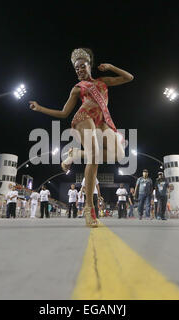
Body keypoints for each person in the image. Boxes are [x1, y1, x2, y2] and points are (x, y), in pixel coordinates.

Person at [29, 48, 133, 227]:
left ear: (89, 65)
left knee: (119, 154)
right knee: (94, 157)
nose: (79, 70)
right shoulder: (78, 89)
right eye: (76, 68)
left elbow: (129, 78)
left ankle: (76, 154)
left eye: (82, 66)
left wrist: (111, 67)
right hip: (83, 118)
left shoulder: (103, 82)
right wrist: (40, 108)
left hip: (101, 121)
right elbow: (63, 113)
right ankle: (88, 209)